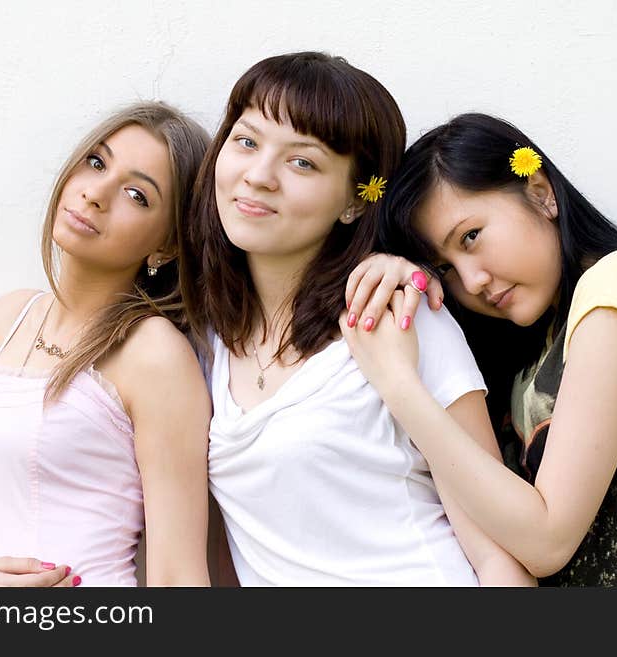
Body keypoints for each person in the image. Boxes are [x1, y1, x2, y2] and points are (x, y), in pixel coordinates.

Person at [181, 52, 535, 586]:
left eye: (302, 162)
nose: (258, 176)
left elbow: (496, 556)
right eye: (246, 141)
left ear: (354, 200)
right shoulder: (203, 340)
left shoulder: (402, 315)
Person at [343, 112, 617, 586]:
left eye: (471, 237)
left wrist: (399, 385)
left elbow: (547, 540)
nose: (472, 281)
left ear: (541, 193)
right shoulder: (527, 350)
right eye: (446, 269)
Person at [0, 102, 213, 586]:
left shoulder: (153, 353)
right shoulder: (2, 322)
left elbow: (177, 575)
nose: (95, 194)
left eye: (137, 194)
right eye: (96, 163)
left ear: (166, 246)